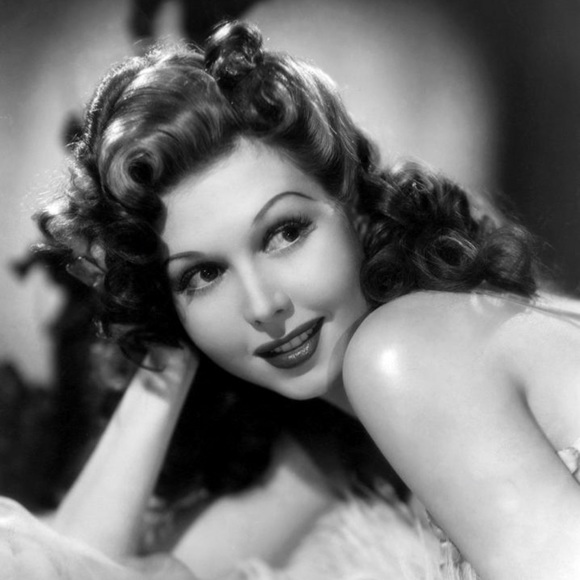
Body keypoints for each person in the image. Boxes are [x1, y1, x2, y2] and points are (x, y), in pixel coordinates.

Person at [30, 19, 580, 580]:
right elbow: (76, 569)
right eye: (204, 275)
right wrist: (158, 328)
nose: (263, 305)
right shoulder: (342, 444)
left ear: (353, 205)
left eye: (285, 233)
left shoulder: (401, 354)